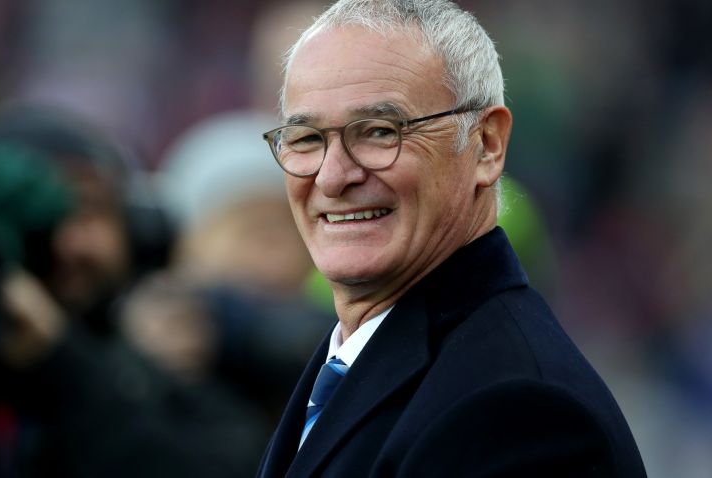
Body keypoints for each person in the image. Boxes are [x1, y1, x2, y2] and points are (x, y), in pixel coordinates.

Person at [255, 1, 647, 477]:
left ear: (487, 145)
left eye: (380, 132)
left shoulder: (520, 412)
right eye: (306, 138)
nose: (332, 177)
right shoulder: (358, 355)